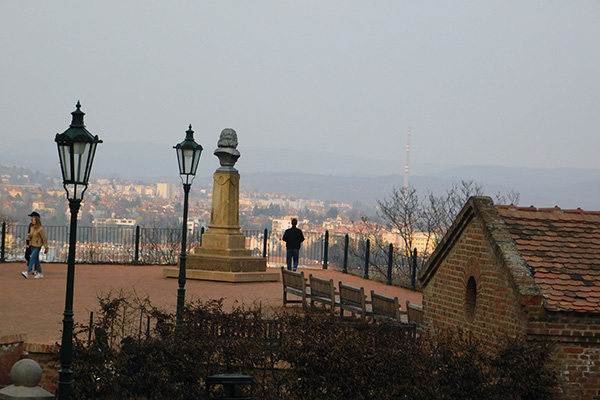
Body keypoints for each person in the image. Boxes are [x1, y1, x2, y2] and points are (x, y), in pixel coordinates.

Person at [22, 212, 49, 279]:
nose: (32, 221)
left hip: (37, 245)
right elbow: (30, 234)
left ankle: (27, 271)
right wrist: (29, 238)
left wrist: (46, 247)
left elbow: (44, 238)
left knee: (32, 257)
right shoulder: (32, 227)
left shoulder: (40, 229)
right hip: (32, 244)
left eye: (33, 220)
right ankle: (40, 273)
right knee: (36, 260)